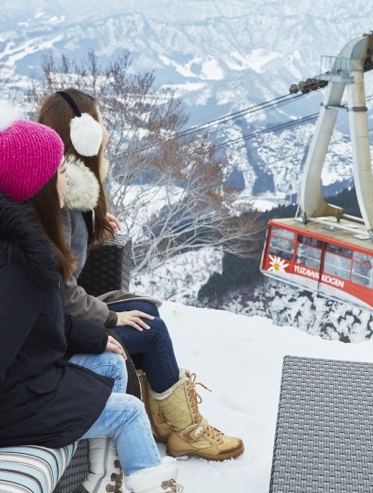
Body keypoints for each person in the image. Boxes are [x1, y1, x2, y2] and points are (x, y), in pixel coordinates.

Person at [0, 99, 240, 493]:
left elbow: (38, 324)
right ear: (36, 186)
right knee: (129, 412)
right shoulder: (10, 266)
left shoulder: (16, 242)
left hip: (19, 377)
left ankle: (97, 490)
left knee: (113, 366)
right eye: (58, 172)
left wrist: (99, 336)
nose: (67, 178)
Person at [35, 89, 244, 469]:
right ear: (82, 133)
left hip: (60, 315)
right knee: (150, 329)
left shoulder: (68, 190)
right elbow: (60, 288)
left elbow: (68, 260)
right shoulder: (56, 200)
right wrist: (110, 318)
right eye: (100, 122)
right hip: (55, 329)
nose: (106, 132)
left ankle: (169, 423)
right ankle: (185, 430)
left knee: (147, 311)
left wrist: (96, 224)